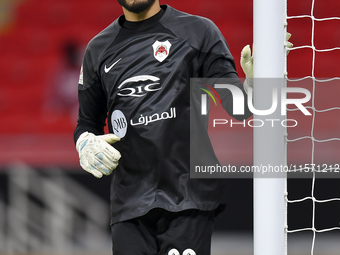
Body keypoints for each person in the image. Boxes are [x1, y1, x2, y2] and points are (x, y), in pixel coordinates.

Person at [74, 0, 261, 254]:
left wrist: (255, 82)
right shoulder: (98, 49)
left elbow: (239, 108)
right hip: (129, 205)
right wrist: (85, 142)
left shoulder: (199, 31)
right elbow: (87, 123)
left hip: (189, 197)